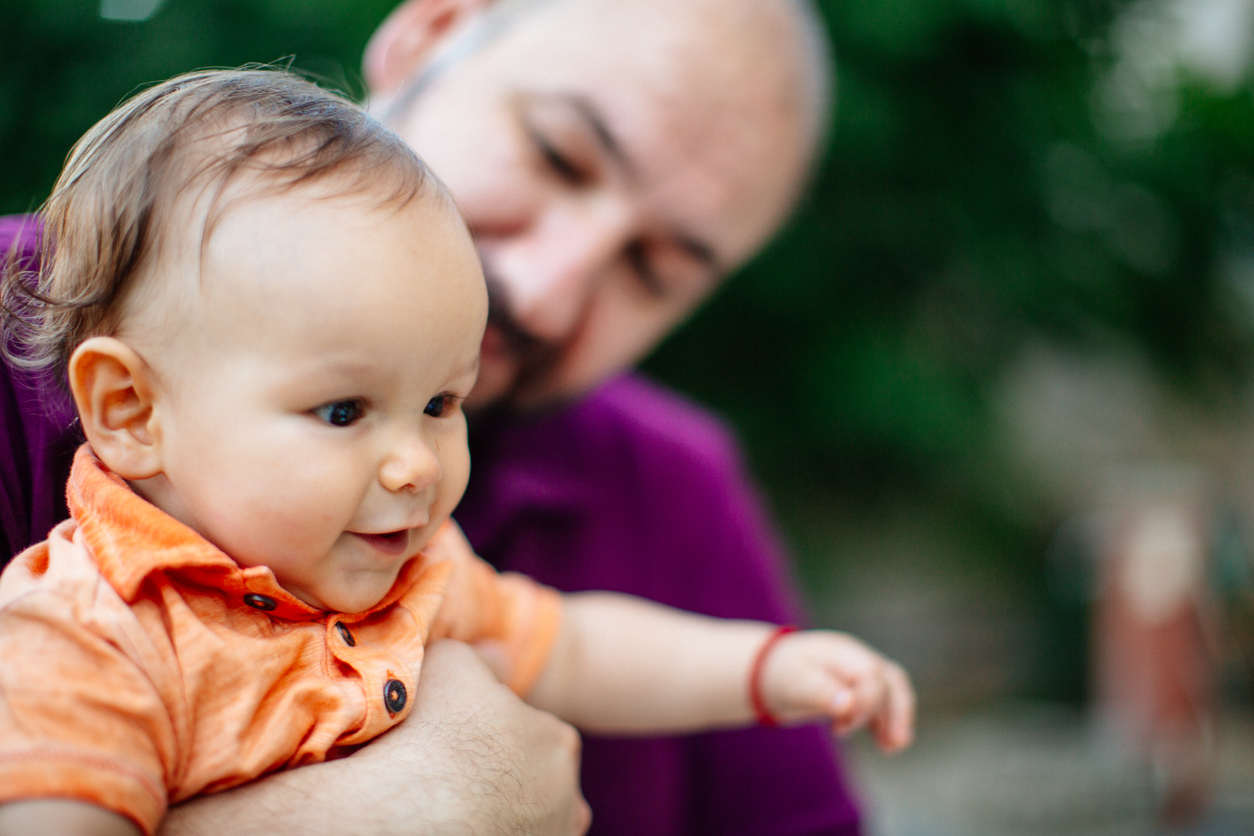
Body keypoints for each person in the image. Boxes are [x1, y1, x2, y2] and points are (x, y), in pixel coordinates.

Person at [0, 0, 871, 834]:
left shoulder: (647, 499)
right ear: (431, 35)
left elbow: (573, 645)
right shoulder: (89, 621)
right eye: (558, 154)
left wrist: (767, 666)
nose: (544, 290)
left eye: (652, 269)